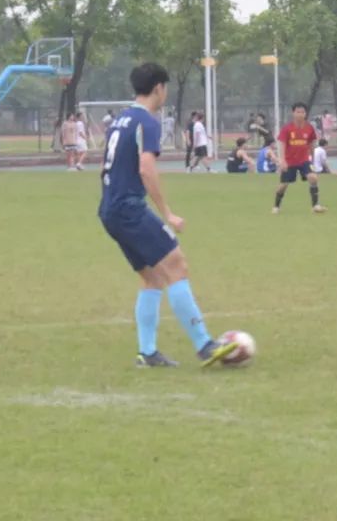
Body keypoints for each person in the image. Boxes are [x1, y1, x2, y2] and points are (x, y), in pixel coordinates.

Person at [98, 63, 238, 368]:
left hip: (110, 208)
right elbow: (146, 168)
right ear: (159, 88)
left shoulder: (120, 120)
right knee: (177, 265)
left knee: (152, 277)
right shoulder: (147, 122)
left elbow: (107, 165)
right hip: (129, 208)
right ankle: (205, 345)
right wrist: (167, 213)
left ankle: (147, 353)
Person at [273, 102, 326, 215]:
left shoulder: (309, 128)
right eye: (298, 112)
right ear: (293, 113)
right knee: (283, 185)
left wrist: (312, 159)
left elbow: (312, 143)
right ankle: (276, 206)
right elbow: (282, 144)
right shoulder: (287, 128)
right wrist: (282, 160)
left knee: (313, 178)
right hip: (289, 162)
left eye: (302, 112)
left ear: (305, 114)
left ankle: (315, 205)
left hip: (304, 160)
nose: (300, 114)